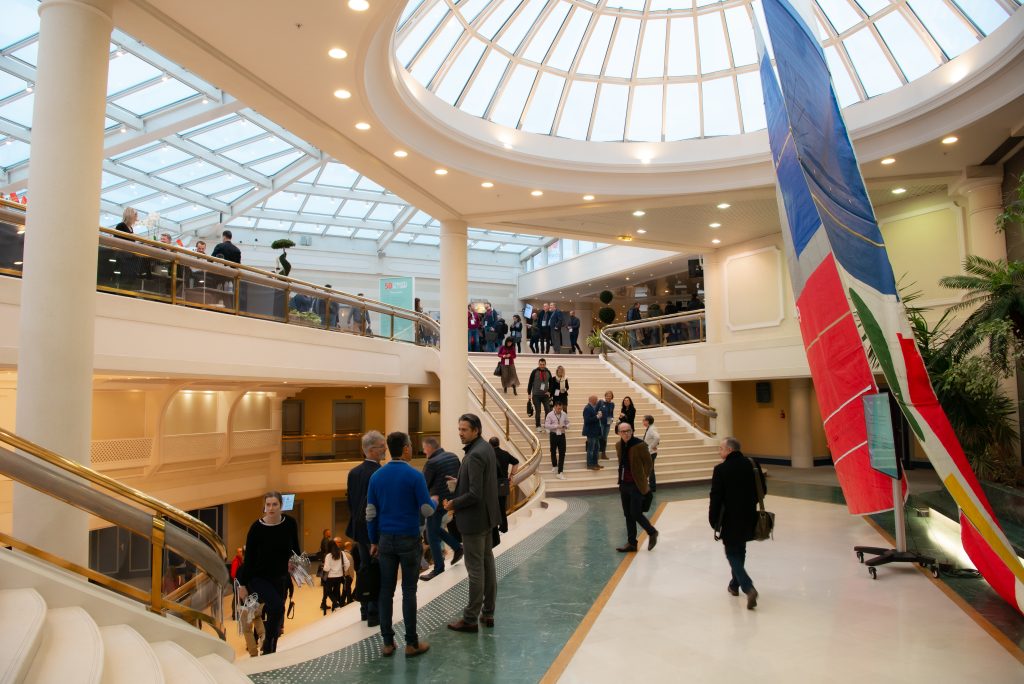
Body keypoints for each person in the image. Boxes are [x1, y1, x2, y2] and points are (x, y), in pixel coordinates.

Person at [366, 431, 435, 657]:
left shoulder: (376, 477)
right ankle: (411, 643)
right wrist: (434, 502)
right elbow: (427, 510)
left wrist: (373, 540)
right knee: (409, 591)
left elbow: (370, 513)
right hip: (408, 539)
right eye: (410, 445)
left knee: (386, 591)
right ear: (405, 448)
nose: (412, 448)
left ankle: (387, 642)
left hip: (385, 540)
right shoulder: (414, 476)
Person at [445, 414, 500, 633]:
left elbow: (475, 494)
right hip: (486, 518)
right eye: (459, 429)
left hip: (474, 521)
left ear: (476, 430)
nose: (460, 433)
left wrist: (453, 503)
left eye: (464, 430)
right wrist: (460, 482)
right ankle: (488, 612)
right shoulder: (485, 448)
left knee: (476, 569)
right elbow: (481, 483)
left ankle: (470, 619)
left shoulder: (475, 454)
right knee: (487, 564)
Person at [235, 491, 300, 655]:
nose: (271, 508)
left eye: (275, 504)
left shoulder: (290, 523)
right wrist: (242, 585)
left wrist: (294, 562)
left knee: (277, 613)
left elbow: (295, 548)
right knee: (277, 607)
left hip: (280, 576)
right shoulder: (256, 528)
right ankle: (268, 646)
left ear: (281, 506)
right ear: (264, 506)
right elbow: (249, 559)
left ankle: (271, 648)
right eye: (268, 504)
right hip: (259, 578)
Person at [709, 437, 765, 610]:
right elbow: (762, 490)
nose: (719, 451)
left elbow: (716, 497)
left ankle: (748, 587)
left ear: (729, 450)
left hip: (730, 518)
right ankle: (734, 584)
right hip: (749, 515)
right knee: (740, 549)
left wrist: (713, 519)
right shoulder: (752, 464)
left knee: (732, 552)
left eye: (721, 448)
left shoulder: (721, 469)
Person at [346, 430, 385, 626]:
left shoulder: (354, 473)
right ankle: (374, 611)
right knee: (377, 569)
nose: (385, 450)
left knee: (364, 567)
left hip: (358, 529)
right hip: (374, 529)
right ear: (370, 450)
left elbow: (350, 502)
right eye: (381, 447)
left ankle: (364, 608)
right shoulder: (379, 473)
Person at [420, 436, 464, 581]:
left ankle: (438, 568)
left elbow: (423, 485)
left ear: (429, 447)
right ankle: (457, 547)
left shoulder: (431, 463)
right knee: (435, 529)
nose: (424, 452)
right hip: (452, 499)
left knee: (431, 535)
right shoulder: (453, 456)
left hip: (437, 503)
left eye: (424, 449)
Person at [615, 423, 658, 553]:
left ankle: (652, 532)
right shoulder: (618, 445)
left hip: (636, 485)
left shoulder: (640, 445)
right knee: (628, 514)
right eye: (623, 431)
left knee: (635, 513)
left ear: (632, 431)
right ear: (619, 433)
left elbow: (649, 464)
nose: (626, 433)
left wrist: (642, 478)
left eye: (628, 431)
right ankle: (632, 543)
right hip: (624, 484)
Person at [489, 436, 519, 533]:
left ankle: (494, 528)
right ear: (498, 443)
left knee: (492, 506)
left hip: (492, 484)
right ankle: (504, 527)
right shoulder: (505, 454)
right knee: (502, 506)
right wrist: (511, 476)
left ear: (490, 444)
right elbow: (516, 462)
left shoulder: (489, 455)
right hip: (503, 483)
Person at [321, 539, 350, 614]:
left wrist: (323, 568)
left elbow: (327, 568)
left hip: (330, 577)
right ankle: (334, 609)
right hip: (339, 577)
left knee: (328, 591)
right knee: (336, 592)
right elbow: (347, 563)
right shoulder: (342, 553)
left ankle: (336, 604)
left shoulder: (328, 556)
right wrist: (342, 571)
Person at [544, 401, 569, 480]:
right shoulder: (550, 414)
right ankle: (554, 465)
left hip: (562, 435)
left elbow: (568, 423)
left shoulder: (564, 414)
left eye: (561, 409)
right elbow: (546, 425)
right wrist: (556, 426)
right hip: (553, 434)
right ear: (554, 407)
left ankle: (560, 472)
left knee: (562, 452)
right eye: (558, 408)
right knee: (553, 451)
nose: (559, 410)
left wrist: (566, 426)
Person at [526, 358, 553, 430]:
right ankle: (538, 425)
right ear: (538, 364)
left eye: (543, 364)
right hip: (536, 395)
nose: (542, 366)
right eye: (541, 364)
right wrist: (529, 393)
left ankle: (547, 425)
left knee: (548, 410)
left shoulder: (548, 372)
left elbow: (551, 383)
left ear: (545, 364)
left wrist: (549, 391)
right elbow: (530, 383)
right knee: (538, 411)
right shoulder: (534, 372)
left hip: (545, 395)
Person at [583, 395, 605, 471]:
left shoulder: (594, 408)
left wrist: (599, 416)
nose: (597, 401)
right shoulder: (587, 408)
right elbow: (587, 420)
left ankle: (595, 463)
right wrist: (597, 417)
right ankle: (590, 465)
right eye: (596, 400)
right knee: (591, 449)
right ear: (592, 400)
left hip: (596, 432)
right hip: (590, 432)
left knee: (596, 448)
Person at [642, 415, 660, 492]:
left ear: (648, 421)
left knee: (650, 470)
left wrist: (651, 446)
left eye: (644, 420)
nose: (642, 422)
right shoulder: (650, 428)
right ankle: (651, 486)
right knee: (650, 470)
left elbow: (657, 438)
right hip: (650, 452)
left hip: (651, 453)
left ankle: (652, 487)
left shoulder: (652, 429)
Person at [318, 528, 333, 613]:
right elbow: (327, 551)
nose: (330, 533)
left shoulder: (324, 540)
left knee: (326, 583)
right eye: (328, 532)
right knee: (327, 584)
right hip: (326, 560)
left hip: (324, 560)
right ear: (325, 533)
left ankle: (323, 602)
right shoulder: (326, 541)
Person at [597, 391, 615, 460]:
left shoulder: (612, 404)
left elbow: (611, 414)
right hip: (601, 422)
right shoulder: (601, 402)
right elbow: (596, 410)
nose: (608, 397)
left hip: (608, 423)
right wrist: (598, 414)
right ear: (605, 396)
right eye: (607, 395)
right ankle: (597, 453)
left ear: (612, 397)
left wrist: (611, 420)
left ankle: (603, 454)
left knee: (605, 438)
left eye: (610, 396)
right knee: (599, 437)